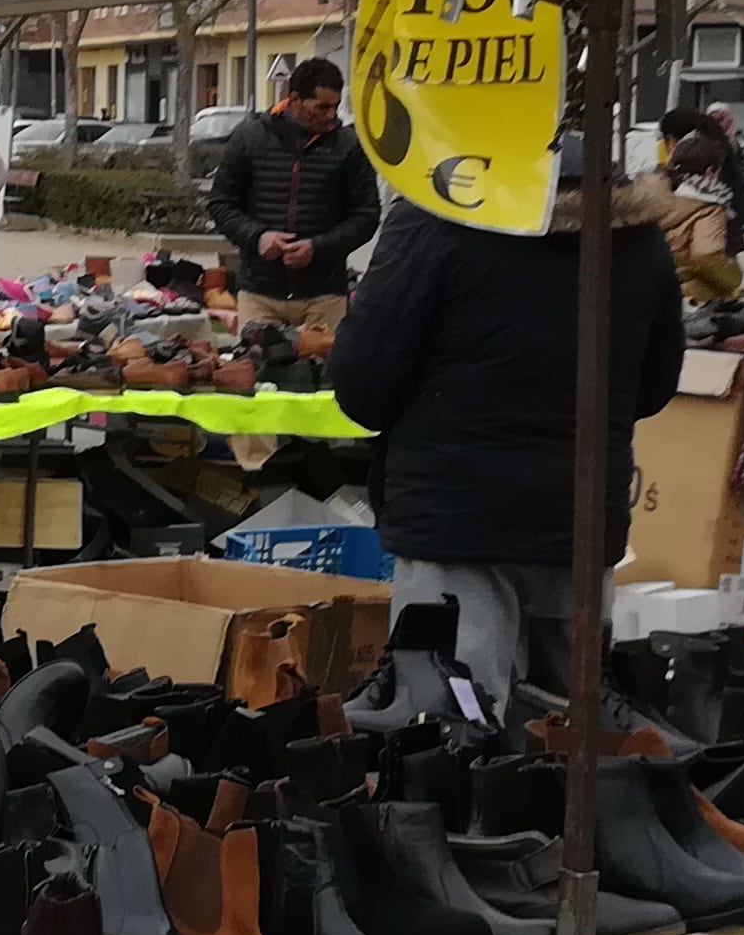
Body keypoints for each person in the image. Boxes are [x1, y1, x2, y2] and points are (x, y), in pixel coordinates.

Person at [329, 171, 689, 715]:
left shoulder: (433, 220)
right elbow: (655, 385)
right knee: (572, 732)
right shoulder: (634, 234)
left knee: (450, 730)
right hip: (579, 512)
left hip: (454, 517)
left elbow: (362, 387)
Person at [205, 56, 379, 331]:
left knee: (326, 373)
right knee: (254, 371)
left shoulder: (349, 146)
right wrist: (258, 237)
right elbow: (221, 203)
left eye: (335, 106)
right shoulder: (249, 137)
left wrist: (318, 248)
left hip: (325, 296)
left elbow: (366, 216)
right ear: (295, 99)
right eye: (321, 107)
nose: (331, 115)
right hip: (260, 294)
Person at [653, 107, 744, 304]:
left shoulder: (656, 199)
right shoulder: (709, 206)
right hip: (696, 296)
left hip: (657, 290)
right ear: (712, 172)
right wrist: (734, 277)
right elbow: (706, 255)